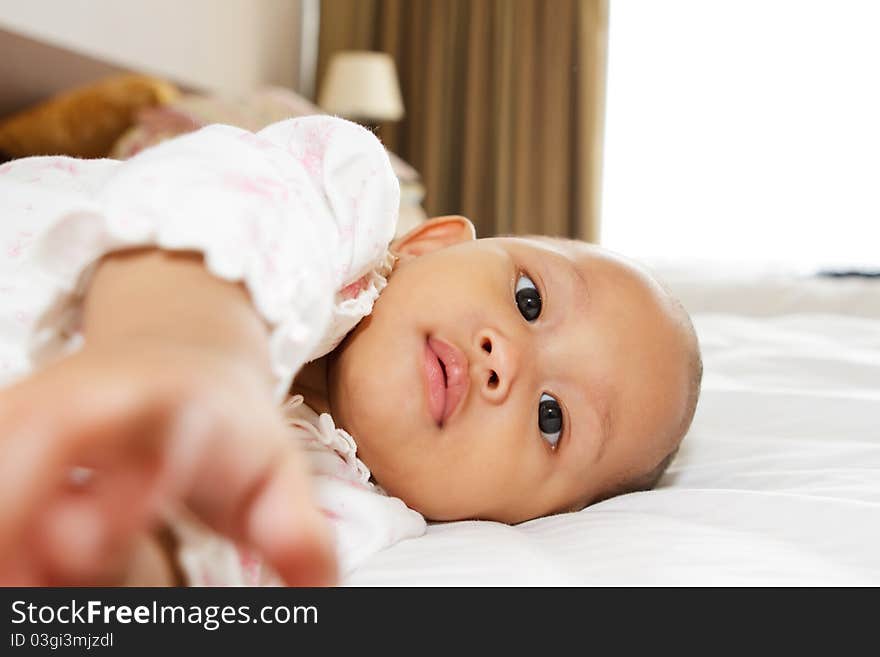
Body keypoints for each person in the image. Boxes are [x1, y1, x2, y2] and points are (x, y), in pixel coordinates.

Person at [0, 116, 701, 586]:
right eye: (529, 300)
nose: (505, 360)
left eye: (552, 417)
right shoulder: (344, 201)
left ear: (516, 515)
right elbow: (230, 200)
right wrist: (193, 348)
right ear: (433, 246)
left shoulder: (344, 522)